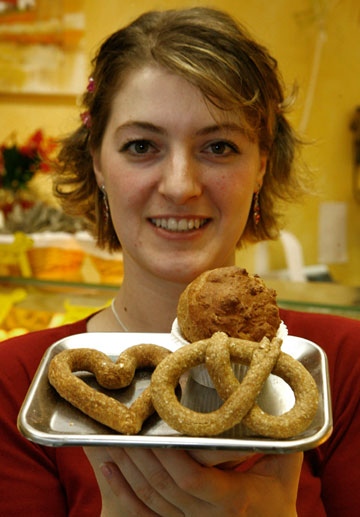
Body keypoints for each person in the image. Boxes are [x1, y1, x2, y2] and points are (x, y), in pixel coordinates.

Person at [0, 7, 359, 516]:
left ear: (261, 164)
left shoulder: (342, 367)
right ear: (98, 162)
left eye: (218, 146)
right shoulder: (17, 384)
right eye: (141, 145)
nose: (180, 184)